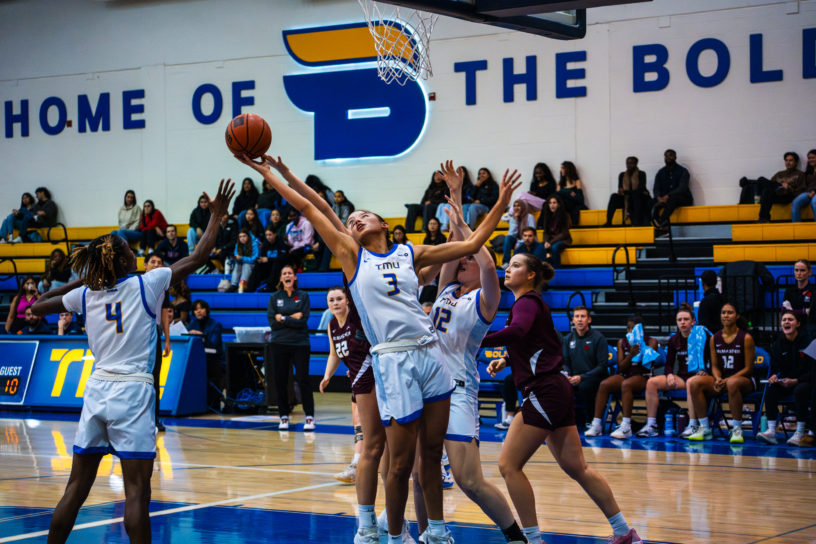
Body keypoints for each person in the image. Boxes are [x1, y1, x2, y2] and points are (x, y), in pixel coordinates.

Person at [236, 151, 519, 544]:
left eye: (362, 215)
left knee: (431, 455)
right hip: (392, 358)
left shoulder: (410, 253)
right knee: (398, 462)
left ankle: (437, 532)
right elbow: (308, 204)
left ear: (384, 224)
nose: (354, 220)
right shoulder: (352, 255)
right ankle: (389, 532)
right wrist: (271, 172)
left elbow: (470, 242)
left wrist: (501, 206)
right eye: (351, 220)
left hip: (430, 354)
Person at [29, 179, 233, 544]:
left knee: (76, 488)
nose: (132, 249)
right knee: (137, 492)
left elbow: (37, 306)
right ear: (123, 259)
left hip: (97, 390)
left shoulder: (87, 295)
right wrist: (216, 216)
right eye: (128, 247)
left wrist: (73, 286)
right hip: (133, 392)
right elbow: (199, 257)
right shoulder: (148, 283)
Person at [406, 166, 527, 544]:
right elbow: (456, 245)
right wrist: (454, 198)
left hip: (458, 390)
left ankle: (515, 535)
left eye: (467, 260)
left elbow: (485, 259)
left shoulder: (485, 298)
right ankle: (429, 535)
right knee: (418, 472)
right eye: (460, 260)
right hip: (425, 385)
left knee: (469, 479)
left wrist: (465, 224)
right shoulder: (448, 285)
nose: (462, 261)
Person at [483, 254, 639, 544]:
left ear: (531, 275)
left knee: (508, 466)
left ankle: (532, 538)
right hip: (555, 388)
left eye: (516, 265)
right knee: (576, 467)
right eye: (509, 264)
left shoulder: (527, 302)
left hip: (544, 391)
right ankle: (624, 531)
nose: (508, 269)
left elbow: (517, 332)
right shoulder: (529, 305)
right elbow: (534, 340)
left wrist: (475, 337)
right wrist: (506, 359)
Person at [686, 302, 756, 443]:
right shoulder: (714, 338)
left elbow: (749, 368)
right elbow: (715, 365)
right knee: (694, 383)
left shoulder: (746, 338)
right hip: (723, 379)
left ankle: (736, 430)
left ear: (737, 316)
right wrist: (718, 378)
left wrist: (728, 380)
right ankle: (704, 428)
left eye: (730, 312)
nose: (726, 315)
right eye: (723, 312)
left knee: (732, 383)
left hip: (745, 380)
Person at [638, 304, 711, 437]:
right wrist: (670, 374)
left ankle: (693, 425)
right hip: (683, 377)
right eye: (679, 320)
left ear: (693, 321)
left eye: (686, 319)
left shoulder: (702, 336)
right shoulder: (674, 340)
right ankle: (652, 425)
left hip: (700, 378)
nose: (682, 322)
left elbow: (712, 358)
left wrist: (705, 370)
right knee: (652, 383)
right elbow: (669, 363)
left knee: (691, 383)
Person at [585, 315, 660, 439]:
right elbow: (620, 368)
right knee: (605, 384)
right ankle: (597, 424)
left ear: (641, 329)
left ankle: (626, 426)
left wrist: (641, 349)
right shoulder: (622, 342)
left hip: (643, 376)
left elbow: (647, 366)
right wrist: (630, 355)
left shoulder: (651, 342)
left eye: (634, 328)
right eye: (628, 328)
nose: (630, 331)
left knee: (627, 384)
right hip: (626, 374)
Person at [266, 265, 313, 430]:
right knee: (280, 381)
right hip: (278, 344)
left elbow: (302, 321)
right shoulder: (274, 297)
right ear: (280, 278)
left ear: (295, 277)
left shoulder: (303, 296)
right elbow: (272, 323)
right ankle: (283, 416)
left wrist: (282, 318)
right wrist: (291, 317)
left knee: (303, 380)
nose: (287, 276)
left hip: (300, 344)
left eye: (290, 273)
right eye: (284, 273)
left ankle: (309, 416)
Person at [756, 310, 812, 446]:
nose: (786, 322)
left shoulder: (809, 341)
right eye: (784, 320)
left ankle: (799, 432)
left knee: (801, 390)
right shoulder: (778, 344)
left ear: (798, 324)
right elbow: (775, 367)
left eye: (790, 319)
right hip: (786, 382)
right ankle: (771, 431)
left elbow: (813, 371)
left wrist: (796, 380)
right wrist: (774, 376)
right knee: (771, 388)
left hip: (805, 381)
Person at [562, 306, 609, 428]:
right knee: (559, 384)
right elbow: (565, 362)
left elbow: (602, 366)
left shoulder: (599, 338)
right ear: (573, 320)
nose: (579, 320)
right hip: (574, 378)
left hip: (595, 377)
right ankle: (565, 420)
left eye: (583, 316)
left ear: (589, 320)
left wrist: (582, 377)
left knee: (584, 386)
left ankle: (590, 420)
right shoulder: (567, 339)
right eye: (577, 317)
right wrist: (567, 374)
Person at [144, 251, 172, 433]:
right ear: (145, 266)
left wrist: (167, 339)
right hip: (136, 332)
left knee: (154, 378)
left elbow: (164, 312)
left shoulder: (163, 286)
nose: (156, 265)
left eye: (159, 262)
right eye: (152, 262)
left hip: (154, 332)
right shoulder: (136, 283)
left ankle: (154, 419)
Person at [188, 299, 226, 410]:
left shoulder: (215, 325)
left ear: (207, 310)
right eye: (196, 309)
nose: (198, 311)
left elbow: (214, 344)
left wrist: (201, 335)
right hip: (197, 358)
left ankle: (213, 406)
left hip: (214, 359)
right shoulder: (192, 324)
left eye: (201, 308)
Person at [758, 152, 806, 223]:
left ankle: (779, 187)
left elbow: (801, 190)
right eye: (786, 160)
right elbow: (770, 184)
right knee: (761, 180)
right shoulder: (779, 174)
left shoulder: (800, 174)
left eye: (791, 160)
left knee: (769, 190)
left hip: (788, 196)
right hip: (776, 194)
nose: (788, 162)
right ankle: (764, 219)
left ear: (795, 162)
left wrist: (788, 187)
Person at [652, 149, 693, 226]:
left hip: (683, 198)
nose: (668, 157)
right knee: (651, 201)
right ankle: (653, 222)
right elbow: (656, 188)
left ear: (675, 157)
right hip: (665, 199)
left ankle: (662, 221)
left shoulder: (683, 171)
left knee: (673, 198)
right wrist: (658, 197)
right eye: (666, 156)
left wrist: (668, 196)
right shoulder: (661, 172)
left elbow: (682, 188)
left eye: (670, 155)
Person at [605, 156, 649, 226]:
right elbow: (620, 188)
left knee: (636, 196)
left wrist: (626, 192)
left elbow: (640, 189)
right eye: (627, 163)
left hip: (638, 198)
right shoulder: (622, 175)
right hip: (626, 198)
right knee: (614, 196)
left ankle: (637, 222)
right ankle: (608, 222)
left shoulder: (641, 174)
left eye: (631, 163)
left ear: (636, 164)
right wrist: (621, 191)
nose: (629, 165)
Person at [250, 226, 290, 292]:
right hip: (269, 267)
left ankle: (270, 287)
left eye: (270, 235)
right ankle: (251, 287)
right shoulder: (265, 244)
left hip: (280, 267)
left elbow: (284, 258)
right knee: (258, 266)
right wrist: (260, 260)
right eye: (266, 235)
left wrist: (269, 259)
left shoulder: (281, 243)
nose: (268, 237)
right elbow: (263, 257)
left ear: (275, 234)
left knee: (276, 263)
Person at [536, 196, 572, 268]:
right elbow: (545, 232)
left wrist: (550, 243)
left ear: (558, 204)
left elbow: (564, 234)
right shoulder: (547, 215)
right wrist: (546, 241)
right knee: (539, 247)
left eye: (554, 203)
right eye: (550, 203)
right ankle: (542, 269)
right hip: (550, 240)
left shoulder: (565, 215)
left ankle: (557, 269)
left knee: (554, 248)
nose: (552, 205)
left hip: (563, 240)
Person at [435, 166, 472, 231]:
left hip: (463, 203)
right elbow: (447, 195)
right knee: (442, 205)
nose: (459, 173)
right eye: (457, 172)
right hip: (453, 202)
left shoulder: (469, 185)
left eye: (462, 171)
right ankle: (442, 224)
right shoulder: (451, 184)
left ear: (465, 174)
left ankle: (447, 225)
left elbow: (468, 198)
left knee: (451, 206)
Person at [501, 199, 536, 267]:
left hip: (527, 240)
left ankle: (516, 264)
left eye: (518, 206)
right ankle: (506, 263)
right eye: (514, 206)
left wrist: (518, 243)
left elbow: (531, 234)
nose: (516, 208)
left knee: (520, 245)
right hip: (517, 240)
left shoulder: (529, 217)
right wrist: (515, 220)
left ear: (523, 206)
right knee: (508, 238)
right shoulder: (513, 218)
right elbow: (511, 234)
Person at [557, 161, 585, 226]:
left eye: (563, 168)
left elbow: (580, 199)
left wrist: (564, 192)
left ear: (568, 169)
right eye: (561, 168)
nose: (561, 170)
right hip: (564, 203)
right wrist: (569, 192)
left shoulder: (577, 181)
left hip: (574, 204)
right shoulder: (560, 183)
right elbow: (557, 195)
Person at [792, 149, 816, 222]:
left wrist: (814, 191)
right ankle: (796, 227)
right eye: (809, 158)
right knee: (796, 202)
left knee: (814, 202)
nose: (811, 160)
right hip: (808, 192)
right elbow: (804, 185)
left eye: (813, 157)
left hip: (814, 193)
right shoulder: (808, 171)